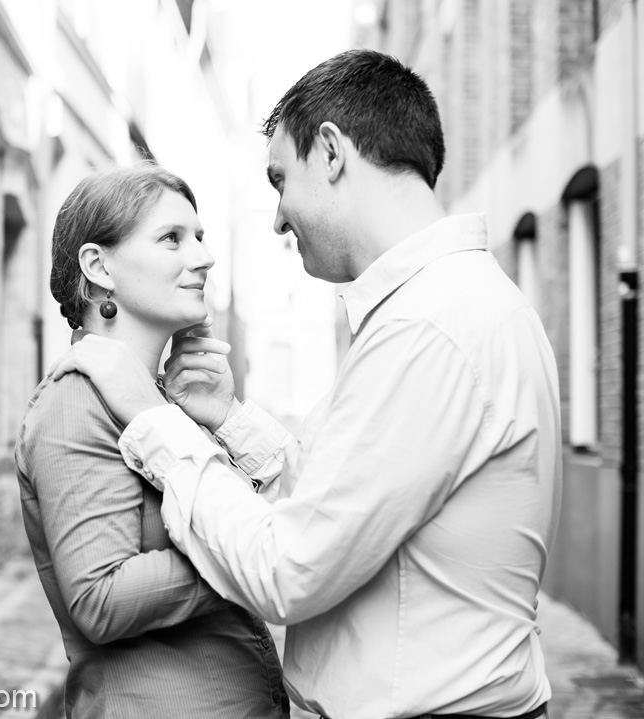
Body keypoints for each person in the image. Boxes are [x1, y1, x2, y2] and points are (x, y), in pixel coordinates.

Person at [48, 50, 561, 719]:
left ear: (330, 153)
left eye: (279, 179)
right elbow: (349, 495)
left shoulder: (431, 328)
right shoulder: (451, 307)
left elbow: (289, 566)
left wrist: (155, 418)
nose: (278, 218)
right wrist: (229, 419)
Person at [15, 163, 289, 718]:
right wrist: (251, 544)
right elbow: (101, 598)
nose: (204, 258)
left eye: (201, 237)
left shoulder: (165, 403)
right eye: (172, 239)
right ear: (99, 266)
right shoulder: (76, 402)